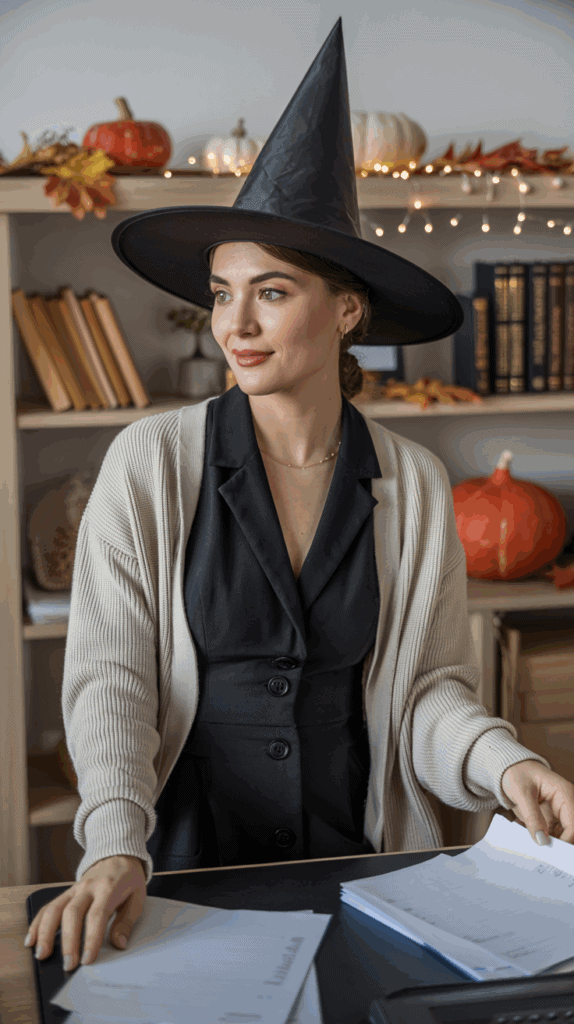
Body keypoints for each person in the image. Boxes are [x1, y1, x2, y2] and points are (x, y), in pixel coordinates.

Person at [26, 17, 574, 977]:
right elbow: (110, 680)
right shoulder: (149, 463)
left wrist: (506, 763)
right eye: (221, 291)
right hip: (181, 869)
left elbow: (429, 692)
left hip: (363, 863)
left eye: (271, 292)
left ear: (347, 308)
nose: (234, 323)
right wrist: (113, 839)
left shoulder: (408, 481)